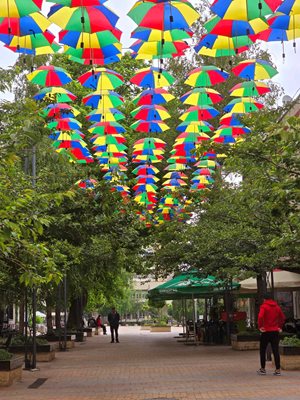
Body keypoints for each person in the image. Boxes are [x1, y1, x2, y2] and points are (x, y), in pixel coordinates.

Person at [257, 293, 285, 376]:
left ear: (264, 299)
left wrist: (260, 326)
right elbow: (282, 317)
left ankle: (263, 369)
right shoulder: (277, 307)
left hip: (265, 331)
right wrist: (279, 326)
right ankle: (278, 370)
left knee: (262, 350)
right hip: (275, 331)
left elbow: (260, 316)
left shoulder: (264, 306)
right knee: (275, 350)